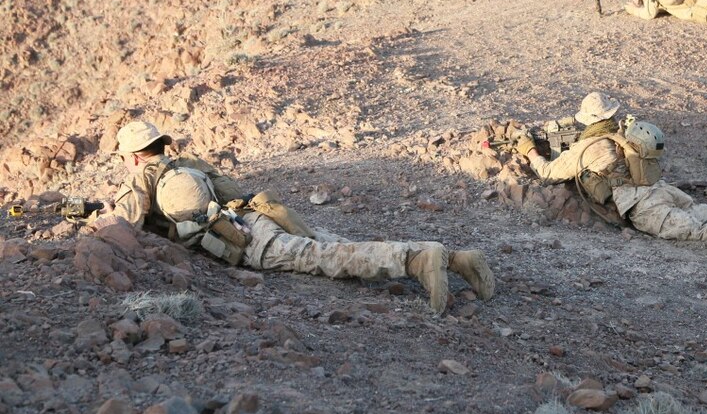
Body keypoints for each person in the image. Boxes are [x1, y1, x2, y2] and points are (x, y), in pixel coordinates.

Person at [95, 121, 494, 314]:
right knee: (335, 245)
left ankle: (419, 260)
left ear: (132, 156)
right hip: (260, 215)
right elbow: (234, 191)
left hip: (250, 239)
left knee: (327, 259)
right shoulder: (188, 164)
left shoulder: (143, 178)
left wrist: (93, 221)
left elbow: (123, 225)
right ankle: (455, 258)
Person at [515, 93, 707, 268]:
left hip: (643, 205)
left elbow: (548, 173)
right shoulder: (623, 129)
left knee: (703, 232)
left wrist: (529, 151)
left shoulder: (588, 146)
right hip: (663, 190)